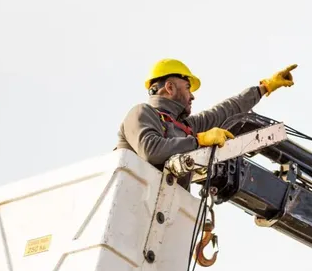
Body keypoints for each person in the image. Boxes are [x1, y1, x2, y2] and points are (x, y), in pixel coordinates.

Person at [116, 58, 297, 185]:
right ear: (170, 87)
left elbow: (226, 110)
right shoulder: (142, 113)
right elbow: (151, 150)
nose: (192, 96)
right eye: (188, 88)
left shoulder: (186, 127)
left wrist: (264, 87)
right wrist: (199, 141)